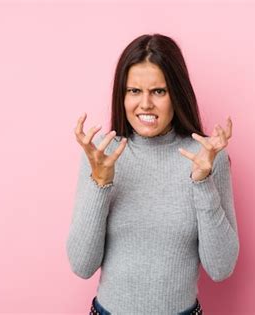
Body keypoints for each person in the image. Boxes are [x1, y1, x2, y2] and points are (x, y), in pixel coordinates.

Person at [67, 33, 239, 315]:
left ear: (176, 93)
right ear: (121, 95)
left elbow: (221, 268)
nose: (145, 104)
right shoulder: (102, 154)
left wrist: (202, 183)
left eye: (158, 91)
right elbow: (82, 265)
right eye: (134, 91)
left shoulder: (206, 155)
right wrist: (100, 184)